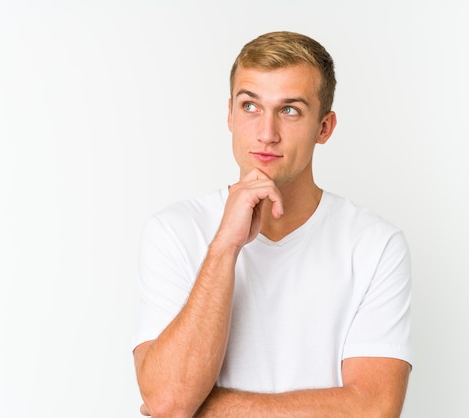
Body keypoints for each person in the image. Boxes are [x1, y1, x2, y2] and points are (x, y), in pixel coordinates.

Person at [132, 31, 412, 417]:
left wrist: (209, 408)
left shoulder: (374, 244)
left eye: (290, 110)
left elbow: (374, 409)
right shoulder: (175, 231)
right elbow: (168, 400)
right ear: (229, 114)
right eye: (250, 106)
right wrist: (225, 247)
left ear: (324, 127)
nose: (267, 133)